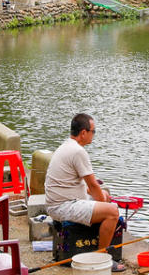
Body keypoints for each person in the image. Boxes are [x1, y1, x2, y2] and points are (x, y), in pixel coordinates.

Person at [45, 113, 124, 272]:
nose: (93, 135)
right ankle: (103, 259)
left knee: (105, 198)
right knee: (112, 213)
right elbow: (93, 185)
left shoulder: (67, 146)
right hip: (63, 206)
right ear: (83, 133)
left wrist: (101, 197)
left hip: (60, 202)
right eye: (93, 131)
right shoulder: (78, 152)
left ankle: (100, 253)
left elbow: (81, 185)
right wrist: (103, 203)